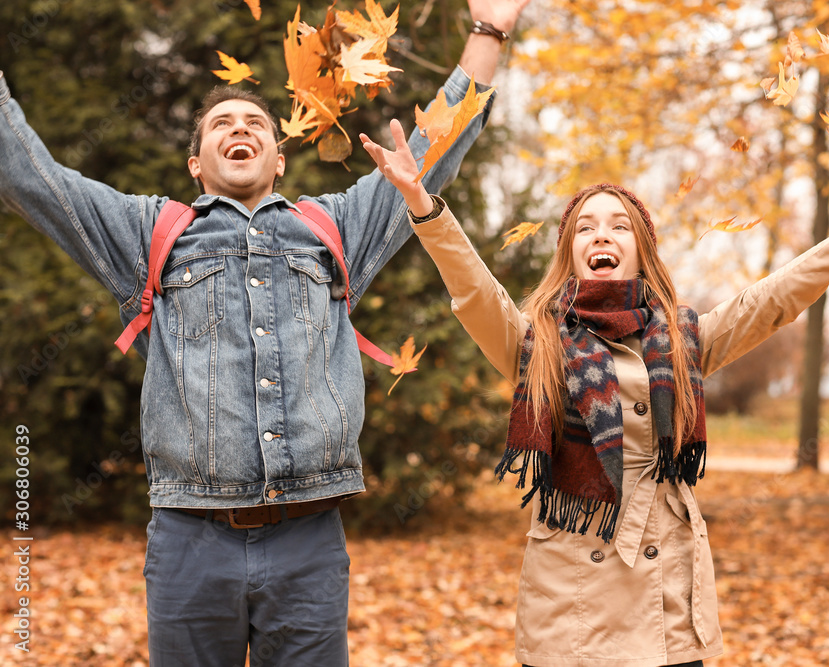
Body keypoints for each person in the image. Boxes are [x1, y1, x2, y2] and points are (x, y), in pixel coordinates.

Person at [0, 1, 530, 664]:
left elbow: (434, 154)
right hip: (189, 540)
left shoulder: (332, 229)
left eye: (254, 122)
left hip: (308, 539)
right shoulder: (151, 234)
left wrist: (489, 30)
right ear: (197, 163)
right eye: (221, 124)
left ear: (279, 160)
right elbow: (32, 179)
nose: (238, 128)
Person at [360, 118, 829, 666]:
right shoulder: (537, 344)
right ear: (571, 252)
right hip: (574, 602)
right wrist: (423, 205)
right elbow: (474, 290)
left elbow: (780, 295)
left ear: (640, 250)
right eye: (586, 228)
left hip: (667, 598)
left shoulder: (685, 341)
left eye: (619, 226)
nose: (602, 236)